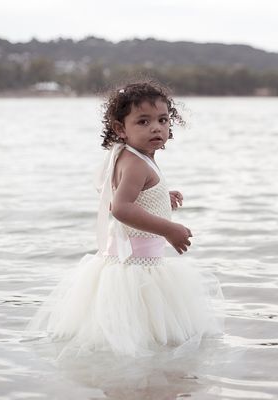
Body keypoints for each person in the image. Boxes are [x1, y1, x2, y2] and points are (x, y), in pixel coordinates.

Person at [27, 80, 223, 358]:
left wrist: (161, 197)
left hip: (130, 264)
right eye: (143, 121)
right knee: (144, 340)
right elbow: (121, 208)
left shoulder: (132, 156)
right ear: (121, 129)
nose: (156, 127)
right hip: (138, 270)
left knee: (142, 340)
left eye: (163, 119)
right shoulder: (134, 163)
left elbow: (127, 197)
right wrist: (169, 228)